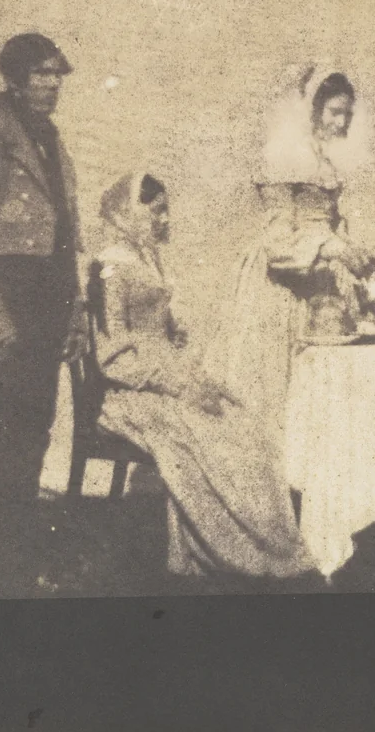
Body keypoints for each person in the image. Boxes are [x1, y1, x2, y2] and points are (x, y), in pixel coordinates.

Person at [90, 172, 316, 580]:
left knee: (244, 421)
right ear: (130, 212)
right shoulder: (110, 268)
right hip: (128, 393)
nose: (164, 221)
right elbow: (113, 359)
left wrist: (179, 351)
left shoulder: (145, 259)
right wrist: (175, 382)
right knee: (207, 433)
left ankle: (268, 545)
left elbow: (158, 331)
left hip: (164, 380)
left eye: (165, 211)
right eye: (156, 212)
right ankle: (231, 553)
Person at [205, 67, 375, 477]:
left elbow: (327, 223)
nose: (341, 123)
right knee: (273, 393)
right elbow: (278, 246)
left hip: (317, 283)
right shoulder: (288, 157)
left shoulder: (323, 160)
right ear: (313, 109)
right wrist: (333, 247)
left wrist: (352, 247)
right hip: (279, 290)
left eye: (347, 115)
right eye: (335, 112)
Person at [0, 33, 88, 500]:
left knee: (35, 428)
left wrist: (74, 311)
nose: (52, 84)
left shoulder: (52, 143)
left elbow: (65, 240)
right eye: (40, 74)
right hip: (7, 307)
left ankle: (18, 551)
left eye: (56, 74)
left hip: (48, 309)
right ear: (13, 80)